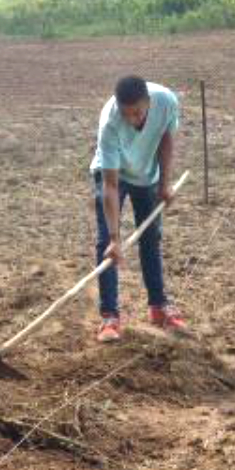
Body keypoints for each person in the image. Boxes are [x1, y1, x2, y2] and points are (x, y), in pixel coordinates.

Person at [89, 75, 187, 342]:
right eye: (127, 114)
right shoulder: (110, 121)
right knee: (106, 246)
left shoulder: (166, 101)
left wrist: (165, 184)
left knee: (151, 238)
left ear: (149, 102)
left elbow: (166, 139)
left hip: (147, 175)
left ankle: (158, 306)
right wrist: (114, 238)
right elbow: (109, 184)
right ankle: (109, 316)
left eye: (138, 113)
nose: (133, 120)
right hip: (114, 172)